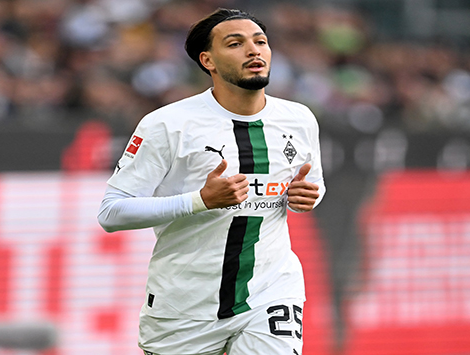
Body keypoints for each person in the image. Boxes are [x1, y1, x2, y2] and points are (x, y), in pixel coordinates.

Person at [97, 8, 325, 355]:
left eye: (260, 41)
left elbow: (314, 186)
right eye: (235, 43)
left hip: (271, 292)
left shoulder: (299, 119)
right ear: (209, 61)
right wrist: (200, 200)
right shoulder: (167, 125)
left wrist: (309, 196)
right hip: (184, 307)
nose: (254, 51)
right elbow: (111, 213)